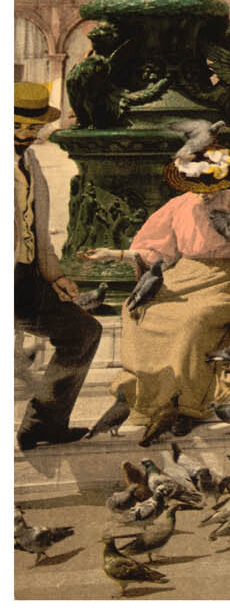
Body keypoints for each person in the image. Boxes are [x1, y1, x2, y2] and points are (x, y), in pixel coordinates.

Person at [80, 143, 230, 432]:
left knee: (192, 322)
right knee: (137, 310)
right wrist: (114, 254)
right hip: (183, 275)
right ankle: (143, 397)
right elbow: (155, 249)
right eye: (197, 185)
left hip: (225, 281)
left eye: (210, 185)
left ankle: (183, 404)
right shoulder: (179, 205)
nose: (204, 192)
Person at [14, 81, 102, 450]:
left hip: (26, 279)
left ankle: (42, 424)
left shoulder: (30, 161)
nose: (25, 135)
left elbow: (38, 229)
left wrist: (57, 276)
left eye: (33, 128)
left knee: (83, 333)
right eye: (17, 126)